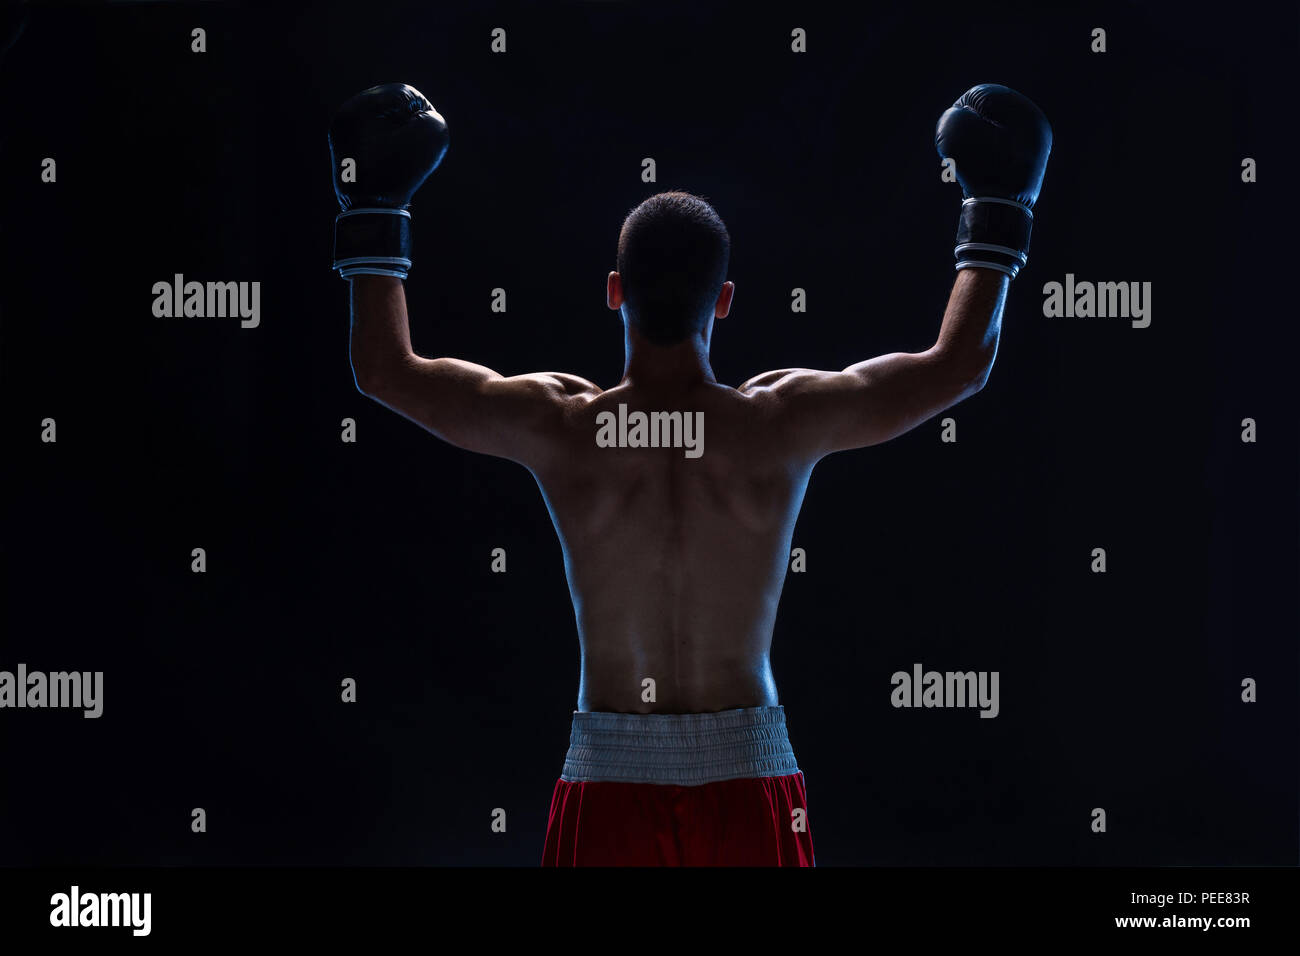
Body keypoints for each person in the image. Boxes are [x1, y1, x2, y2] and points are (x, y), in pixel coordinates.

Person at [328, 82, 1052, 866]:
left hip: (608, 778)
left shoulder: (564, 426)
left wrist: (376, 203)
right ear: (726, 301)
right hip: (750, 776)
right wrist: (998, 200)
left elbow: (384, 369)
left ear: (614, 293)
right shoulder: (778, 423)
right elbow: (959, 365)